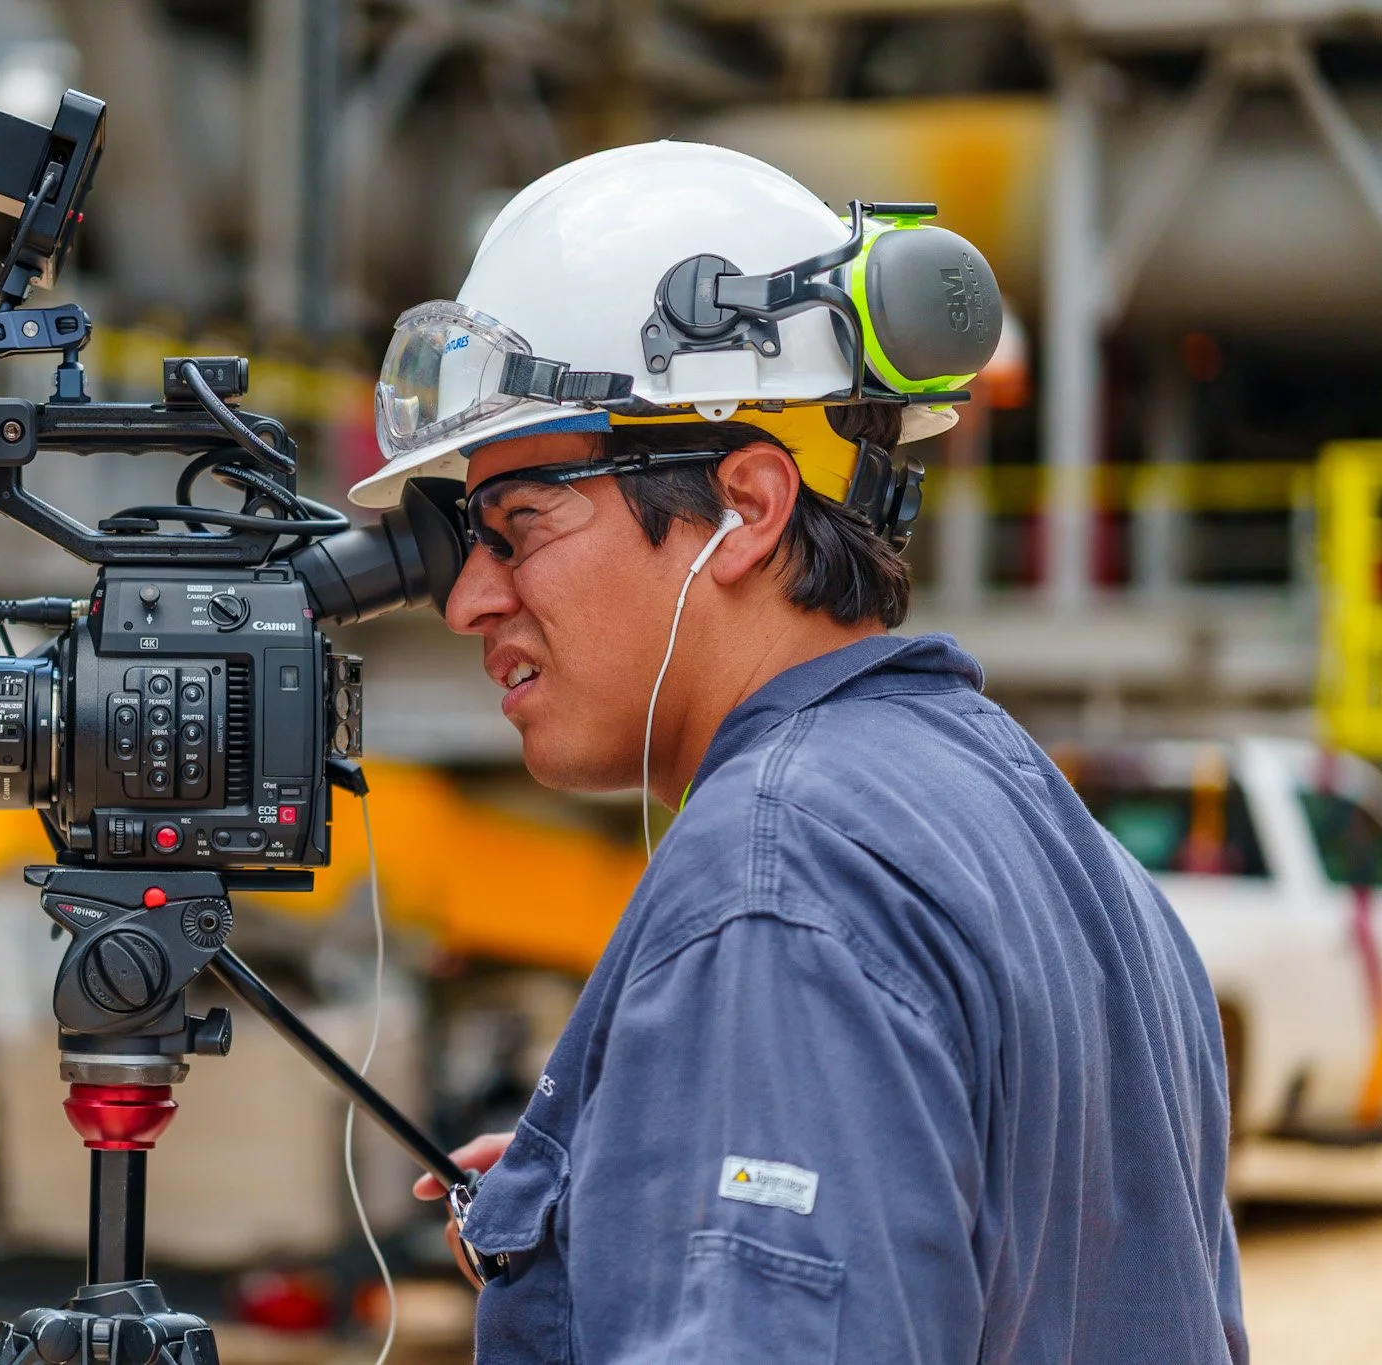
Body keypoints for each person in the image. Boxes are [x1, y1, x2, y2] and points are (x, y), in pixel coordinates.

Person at [352, 144, 1247, 1363]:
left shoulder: (777, 880)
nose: (465, 599)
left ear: (748, 507)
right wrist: (631, 1205)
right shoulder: (1036, 825)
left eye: (517, 524)